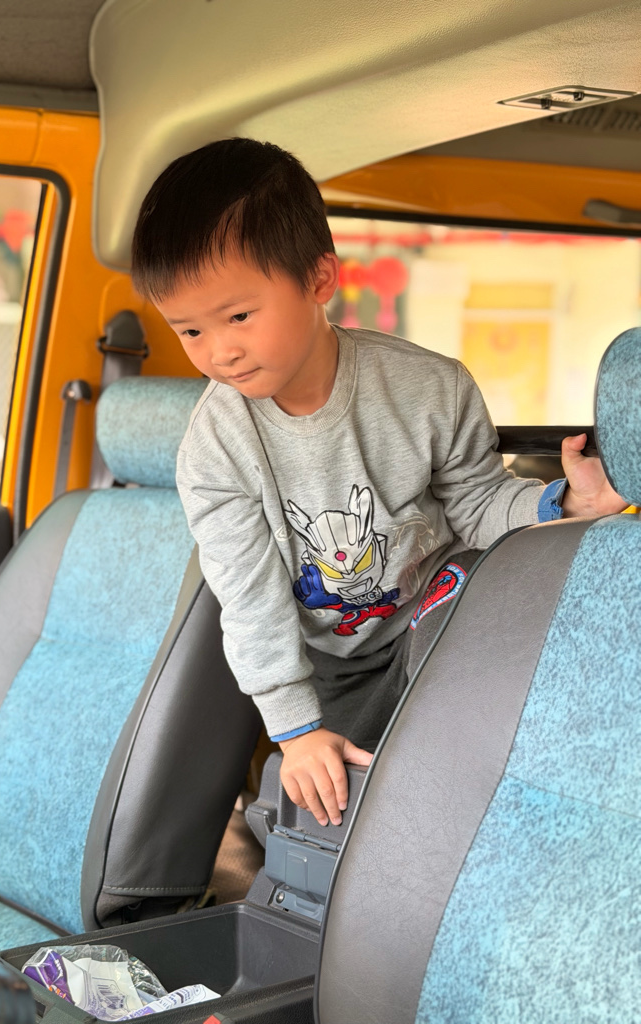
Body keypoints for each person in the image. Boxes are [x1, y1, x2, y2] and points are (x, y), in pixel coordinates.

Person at [130, 138, 626, 827]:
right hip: (330, 661)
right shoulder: (215, 449)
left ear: (318, 279)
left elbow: (478, 504)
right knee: (345, 815)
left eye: (238, 316)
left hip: (440, 625)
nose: (221, 352)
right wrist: (297, 730)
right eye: (189, 331)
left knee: (457, 762)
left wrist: (566, 502)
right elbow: (249, 598)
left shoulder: (430, 388)